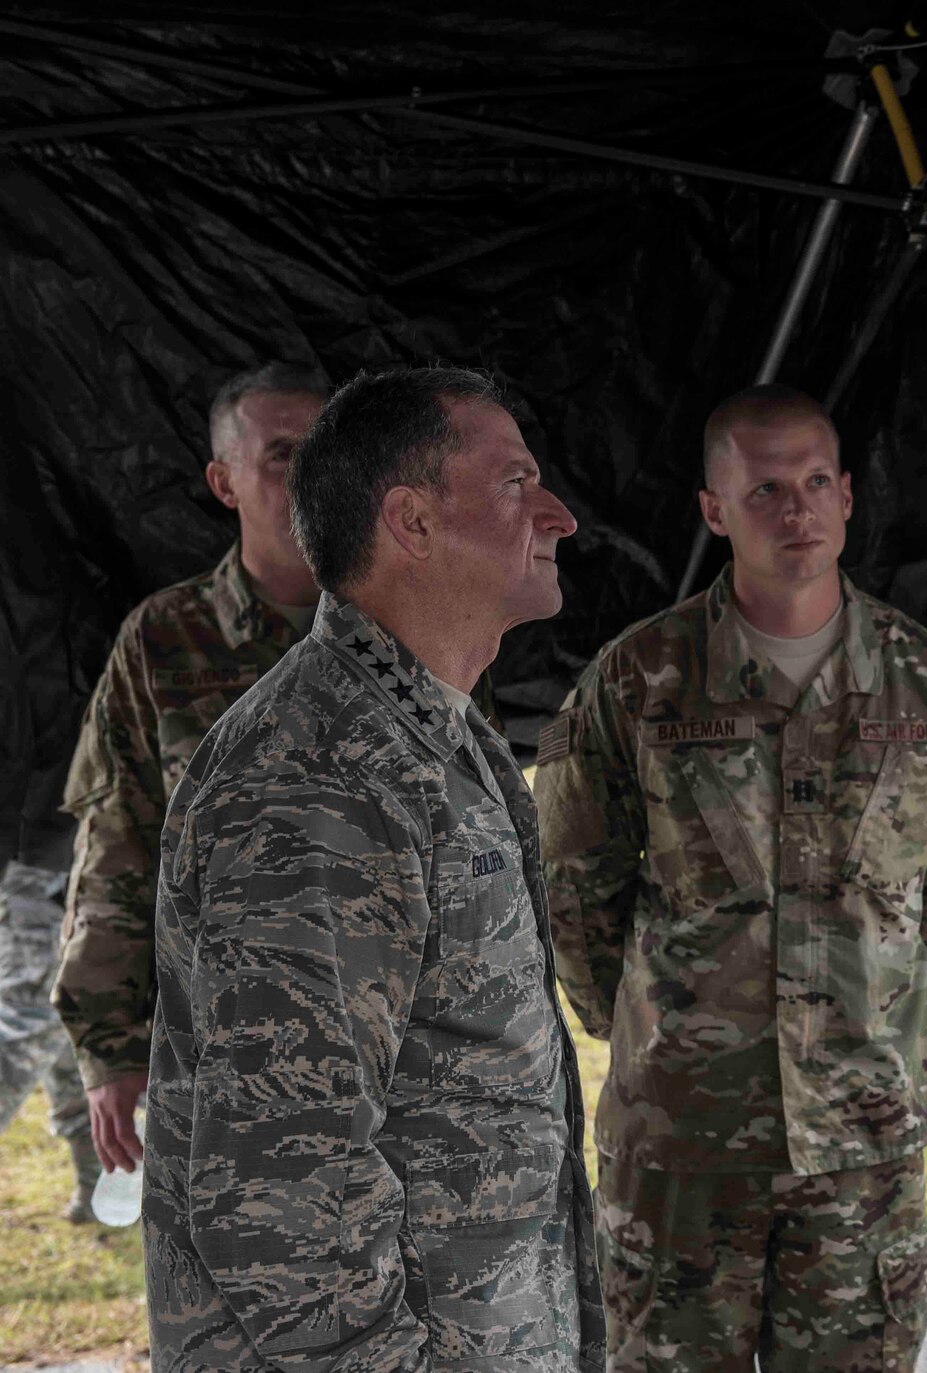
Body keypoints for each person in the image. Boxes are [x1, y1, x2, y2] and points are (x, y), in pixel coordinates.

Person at [144, 367, 604, 1368]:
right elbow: (281, 1189)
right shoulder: (319, 775)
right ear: (412, 521)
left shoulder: (427, 733)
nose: (559, 516)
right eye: (516, 483)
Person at [535, 384, 927, 1372]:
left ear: (850, 495)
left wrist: (864, 1009)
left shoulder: (919, 678)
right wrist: (668, 1031)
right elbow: (574, 888)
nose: (797, 511)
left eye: (817, 482)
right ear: (713, 509)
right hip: (686, 1140)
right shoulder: (638, 679)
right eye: (767, 489)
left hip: (860, 1136)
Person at [54, 361, 327, 1181]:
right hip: (220, 1068)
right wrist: (109, 1046)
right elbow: (118, 848)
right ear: (224, 480)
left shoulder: (416, 628)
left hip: (404, 1067)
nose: (314, 474)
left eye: (330, 448)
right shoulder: (164, 643)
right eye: (283, 454)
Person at [0, 813, 93, 1220]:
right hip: (46, 868)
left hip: (51, 864)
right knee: (30, 1025)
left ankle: (101, 1191)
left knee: (62, 1029)